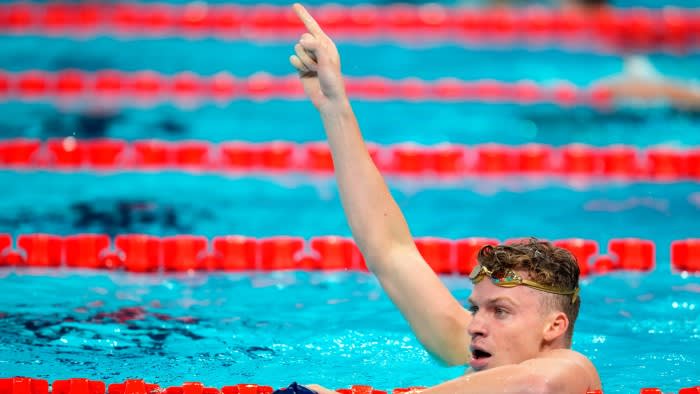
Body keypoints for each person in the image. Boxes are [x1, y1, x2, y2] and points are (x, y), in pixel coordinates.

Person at [288, 3, 602, 393]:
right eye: (475, 308)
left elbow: (540, 383)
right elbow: (389, 251)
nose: (474, 325)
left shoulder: (572, 371)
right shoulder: (475, 360)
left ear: (553, 327)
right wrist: (335, 107)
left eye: (500, 312)